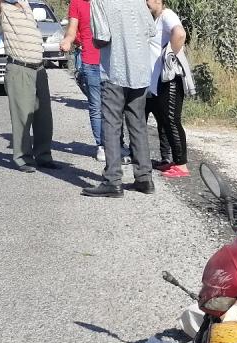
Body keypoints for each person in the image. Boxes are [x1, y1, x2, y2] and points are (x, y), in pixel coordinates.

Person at [81, 0, 155, 197]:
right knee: (138, 124)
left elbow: (102, 38)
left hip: (115, 70)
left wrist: (93, 41)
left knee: (112, 124)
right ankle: (144, 179)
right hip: (139, 71)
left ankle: (112, 180)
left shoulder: (100, 1)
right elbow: (151, 29)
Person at [0, 0, 59, 173]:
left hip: (39, 68)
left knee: (44, 117)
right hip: (20, 68)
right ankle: (23, 158)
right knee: (22, 117)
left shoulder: (25, 4)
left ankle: (43, 155)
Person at [145, 0, 193, 179]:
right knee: (166, 121)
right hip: (161, 81)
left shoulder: (167, 15)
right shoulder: (156, 20)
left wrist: (170, 55)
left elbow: (180, 34)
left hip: (171, 80)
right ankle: (174, 161)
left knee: (172, 121)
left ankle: (182, 165)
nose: (145, 2)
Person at [60, 0, 103, 161]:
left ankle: (117, 144)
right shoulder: (77, 2)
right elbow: (71, 30)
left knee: (114, 106)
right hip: (90, 61)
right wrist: (67, 40)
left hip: (112, 62)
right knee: (96, 105)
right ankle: (102, 146)